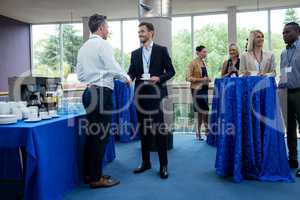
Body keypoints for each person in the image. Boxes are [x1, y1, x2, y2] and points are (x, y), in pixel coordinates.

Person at [76, 14, 131, 188]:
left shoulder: (83, 47)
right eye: (107, 27)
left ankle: (89, 174)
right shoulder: (103, 44)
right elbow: (112, 65)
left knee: (93, 136)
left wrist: (97, 76)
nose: (108, 30)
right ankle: (97, 178)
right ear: (100, 28)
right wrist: (126, 77)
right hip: (101, 94)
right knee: (101, 136)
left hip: (88, 92)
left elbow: (81, 76)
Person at [128, 22, 175, 179]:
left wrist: (159, 78)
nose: (140, 34)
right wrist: (126, 78)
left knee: (159, 131)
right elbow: (131, 74)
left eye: (142, 31)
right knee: (144, 131)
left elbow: (171, 71)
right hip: (140, 97)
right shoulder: (134, 53)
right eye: (138, 32)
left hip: (156, 96)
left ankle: (163, 165)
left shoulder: (161, 50)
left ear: (151, 33)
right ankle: (145, 162)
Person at [278, 22, 300, 177]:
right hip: (286, 93)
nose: (284, 35)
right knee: (290, 128)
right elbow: (284, 73)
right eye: (283, 32)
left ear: (297, 32)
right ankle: (292, 159)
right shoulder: (283, 53)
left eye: (287, 32)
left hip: (299, 93)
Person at [186, 45, 211, 140]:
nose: (205, 53)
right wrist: (201, 79)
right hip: (197, 90)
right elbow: (188, 78)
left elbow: (204, 77)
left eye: (206, 52)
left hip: (204, 89)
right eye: (204, 52)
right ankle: (207, 132)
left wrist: (207, 80)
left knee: (202, 112)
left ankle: (199, 133)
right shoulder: (192, 63)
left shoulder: (203, 63)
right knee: (204, 111)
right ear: (198, 52)